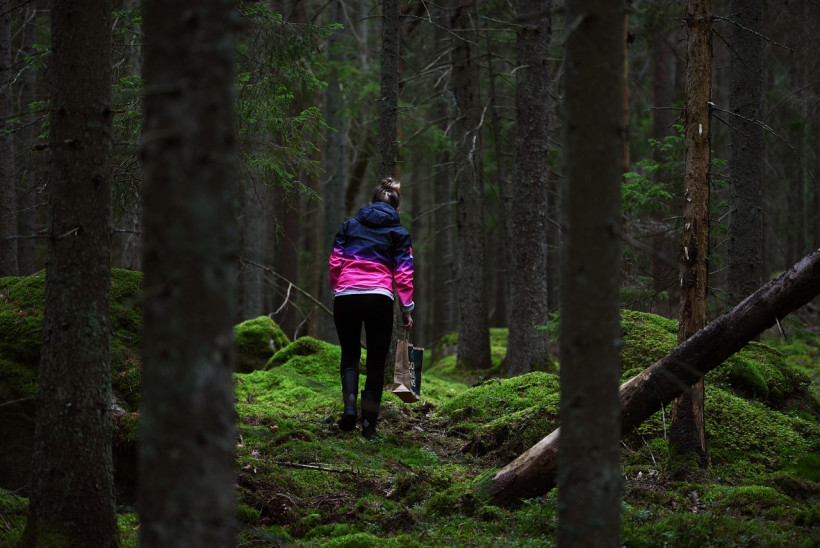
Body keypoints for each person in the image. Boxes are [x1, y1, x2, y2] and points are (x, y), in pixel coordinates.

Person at [328, 176, 414, 439]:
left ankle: (350, 409)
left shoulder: (349, 226)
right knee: (376, 361)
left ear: (372, 202)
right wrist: (406, 307)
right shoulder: (399, 234)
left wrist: (338, 289)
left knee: (350, 353)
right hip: (379, 297)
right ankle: (369, 427)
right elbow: (404, 272)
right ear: (396, 208)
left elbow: (335, 261)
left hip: (346, 296)